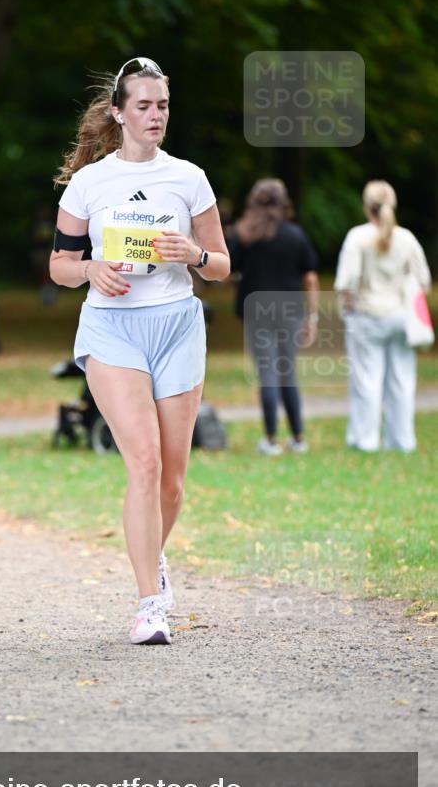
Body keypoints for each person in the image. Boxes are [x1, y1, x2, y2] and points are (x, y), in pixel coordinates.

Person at [50, 56, 230, 646]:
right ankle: (149, 604)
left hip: (178, 325)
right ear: (119, 113)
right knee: (144, 463)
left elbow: (223, 265)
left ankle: (153, 560)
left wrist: (194, 257)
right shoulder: (89, 183)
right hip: (112, 330)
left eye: (163, 106)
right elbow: (59, 265)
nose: (156, 116)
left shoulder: (189, 178)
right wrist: (92, 270)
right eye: (145, 106)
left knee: (173, 480)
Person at [334, 180, 432, 452]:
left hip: (367, 316)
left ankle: (365, 440)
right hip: (401, 318)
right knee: (401, 380)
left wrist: (349, 309)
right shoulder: (407, 238)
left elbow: (345, 282)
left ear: (367, 207)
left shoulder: (358, 237)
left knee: (367, 381)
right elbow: (423, 280)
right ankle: (401, 441)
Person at [227, 178, 319, 455]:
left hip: (257, 311)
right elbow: (311, 278)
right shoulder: (295, 235)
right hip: (290, 310)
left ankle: (270, 439)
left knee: (267, 373)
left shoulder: (243, 236)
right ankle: (298, 437)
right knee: (287, 372)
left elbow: (227, 271)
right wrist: (312, 317)